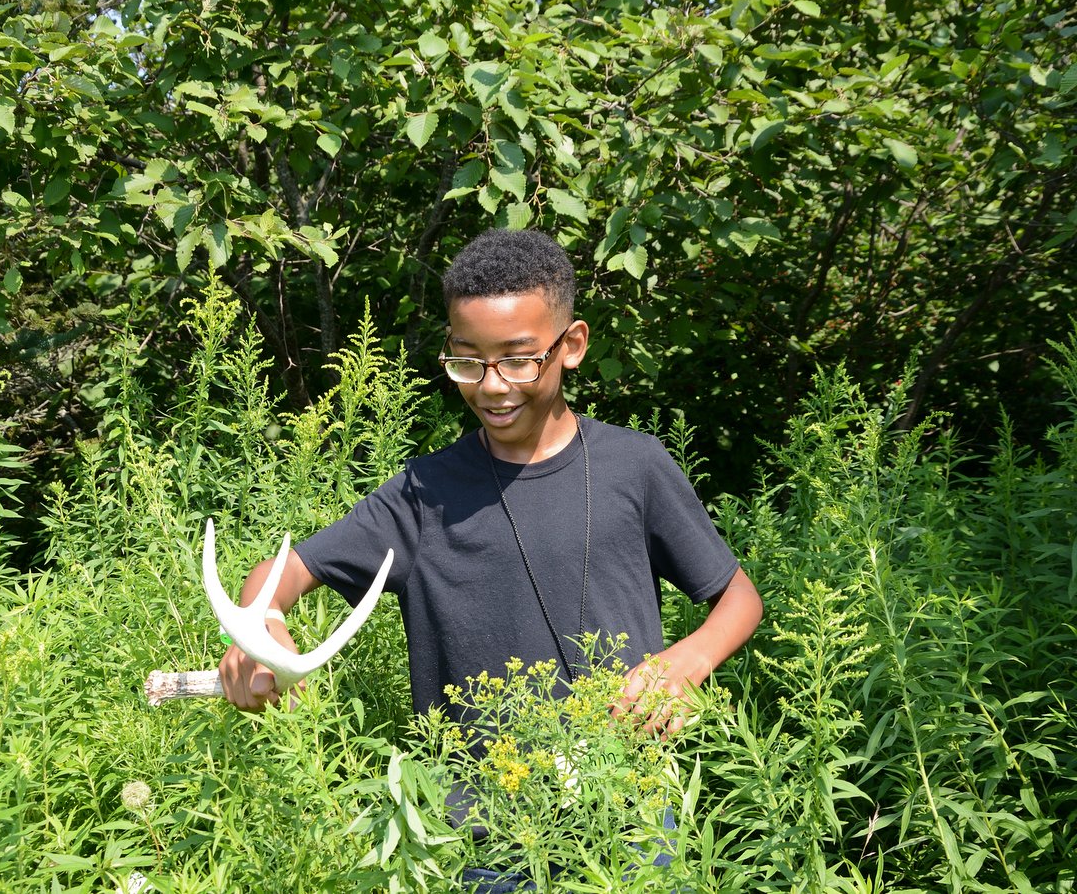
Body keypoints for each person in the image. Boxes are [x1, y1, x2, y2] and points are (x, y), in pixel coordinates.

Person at [219, 228, 763, 886]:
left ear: (573, 345)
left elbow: (737, 597)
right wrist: (258, 632)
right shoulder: (426, 494)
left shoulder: (635, 466)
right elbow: (283, 575)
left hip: (633, 816)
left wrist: (690, 659)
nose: (493, 385)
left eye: (518, 358)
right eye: (468, 361)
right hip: (487, 838)